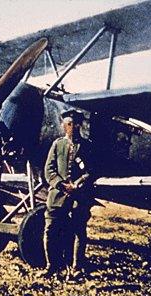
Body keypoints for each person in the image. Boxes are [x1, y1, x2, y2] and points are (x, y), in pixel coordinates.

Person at [41, 110, 94, 282]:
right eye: (66, 124)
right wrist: (61, 185)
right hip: (58, 195)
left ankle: (77, 268)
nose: (69, 127)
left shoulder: (87, 146)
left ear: (79, 125)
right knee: (50, 229)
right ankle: (51, 266)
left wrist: (77, 185)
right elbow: (48, 170)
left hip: (79, 196)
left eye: (72, 124)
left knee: (79, 230)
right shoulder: (57, 145)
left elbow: (90, 171)